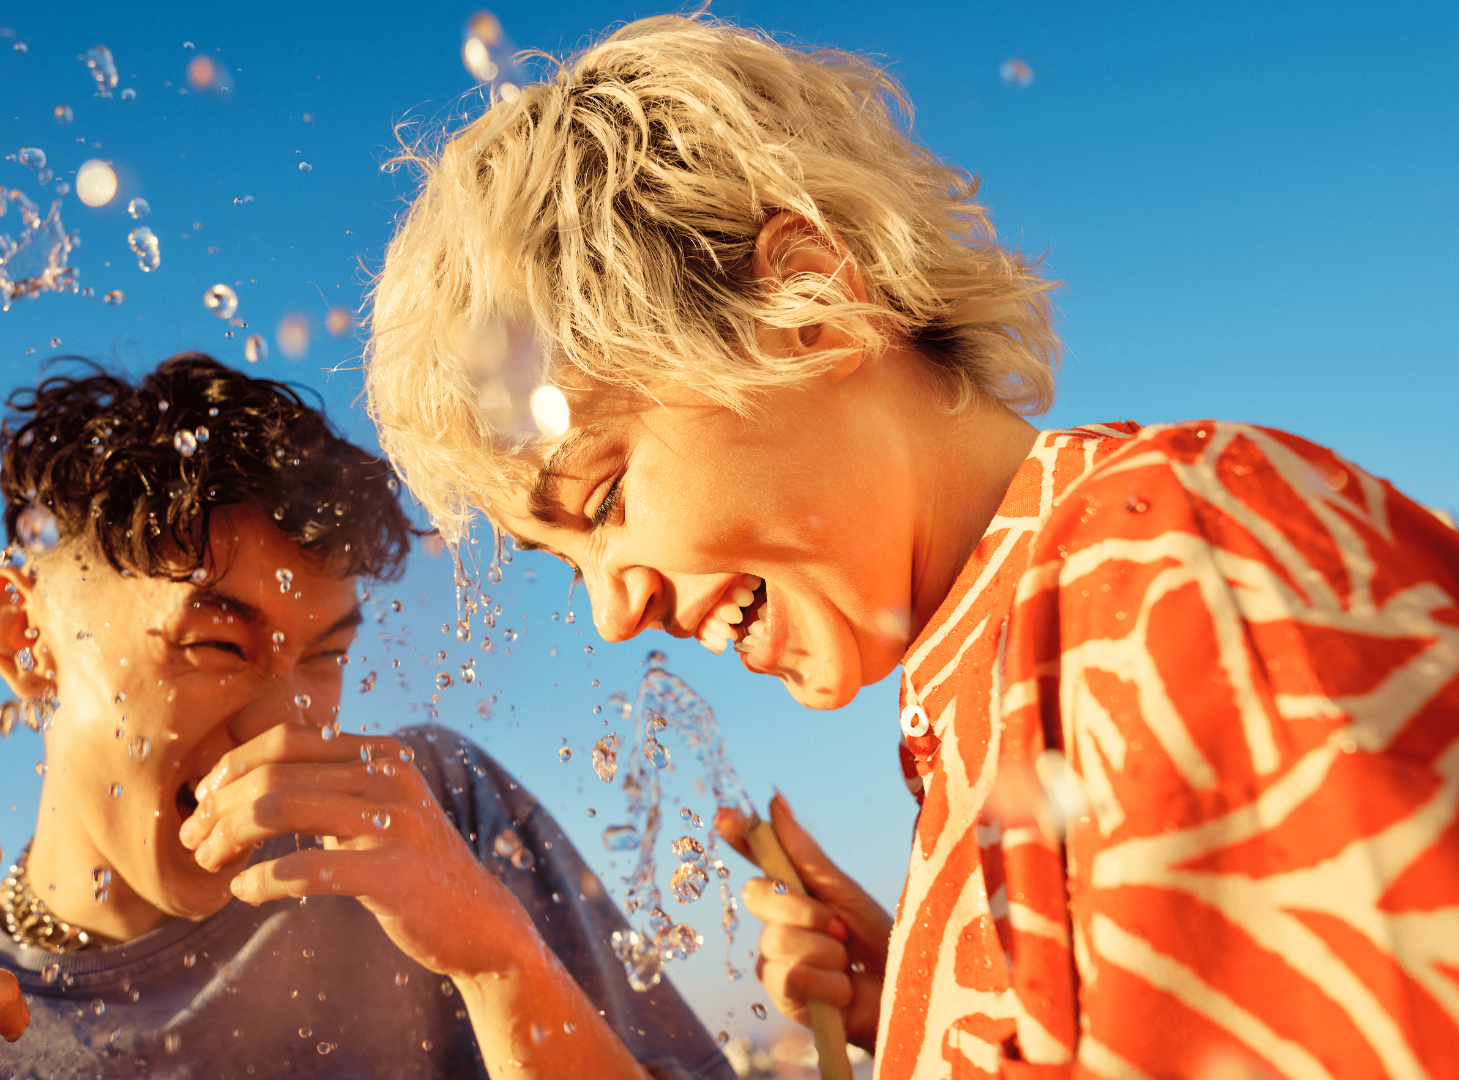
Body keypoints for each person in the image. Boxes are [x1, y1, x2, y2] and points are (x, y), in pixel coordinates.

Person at [363, 15, 1459, 1079]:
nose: (612, 611)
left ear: (810, 307)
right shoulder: (1026, 648)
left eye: (603, 499)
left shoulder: (1161, 570)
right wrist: (936, 1010)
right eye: (568, 566)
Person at [0, 354, 734, 1080]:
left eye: (326, 656)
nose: (286, 728)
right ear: (24, 636)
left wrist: (500, 958)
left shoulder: (436, 819)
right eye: (218, 646)